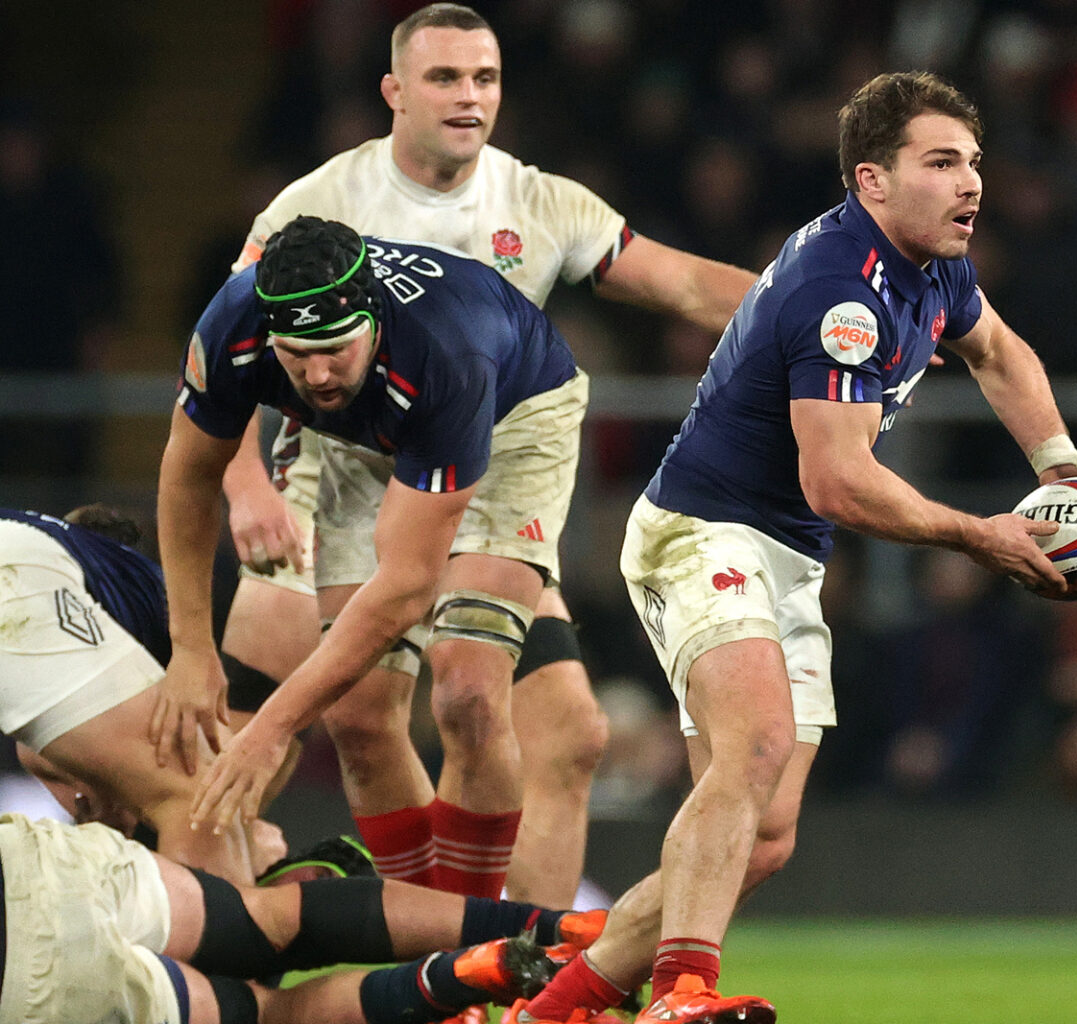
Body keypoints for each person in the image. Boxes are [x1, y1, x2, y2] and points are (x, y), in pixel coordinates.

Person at [517, 70, 1077, 1024]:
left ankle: (542, 1009)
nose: (972, 185)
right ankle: (680, 993)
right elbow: (835, 481)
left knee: (761, 841)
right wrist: (978, 535)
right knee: (752, 748)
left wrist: (1055, 461)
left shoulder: (932, 266)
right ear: (871, 181)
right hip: (702, 532)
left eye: (973, 163)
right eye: (940, 163)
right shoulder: (844, 292)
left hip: (784, 555)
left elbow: (1000, 352)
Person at [180, 1, 755, 907]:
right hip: (340, 472)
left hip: (476, 470)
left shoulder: (541, 201)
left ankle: (500, 962)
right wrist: (246, 483)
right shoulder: (321, 200)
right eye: (445, 77)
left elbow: (682, 281)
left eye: (484, 78)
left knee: (522, 716)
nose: (469, 97)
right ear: (394, 92)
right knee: (354, 718)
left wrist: (818, 319)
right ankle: (399, 946)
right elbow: (229, 347)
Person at [161, 214, 591, 912]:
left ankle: (471, 959)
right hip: (365, 438)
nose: (319, 372)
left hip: (515, 418)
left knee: (469, 690)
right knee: (357, 718)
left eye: (335, 346)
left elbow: (405, 588)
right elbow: (187, 475)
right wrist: (189, 648)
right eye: (297, 354)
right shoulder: (234, 323)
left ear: (375, 318)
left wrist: (268, 731)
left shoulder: (449, 353)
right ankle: (427, 960)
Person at [0, 811, 607, 1024]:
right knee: (270, 914)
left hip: (37, 988)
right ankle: (555, 927)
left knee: (270, 1016)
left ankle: (461, 975)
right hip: (30, 873)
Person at [0, 504, 265, 882]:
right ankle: (207, 940)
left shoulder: (85, 565)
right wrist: (257, 846)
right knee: (203, 797)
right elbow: (214, 760)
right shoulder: (150, 593)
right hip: (12, 575)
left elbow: (52, 757)